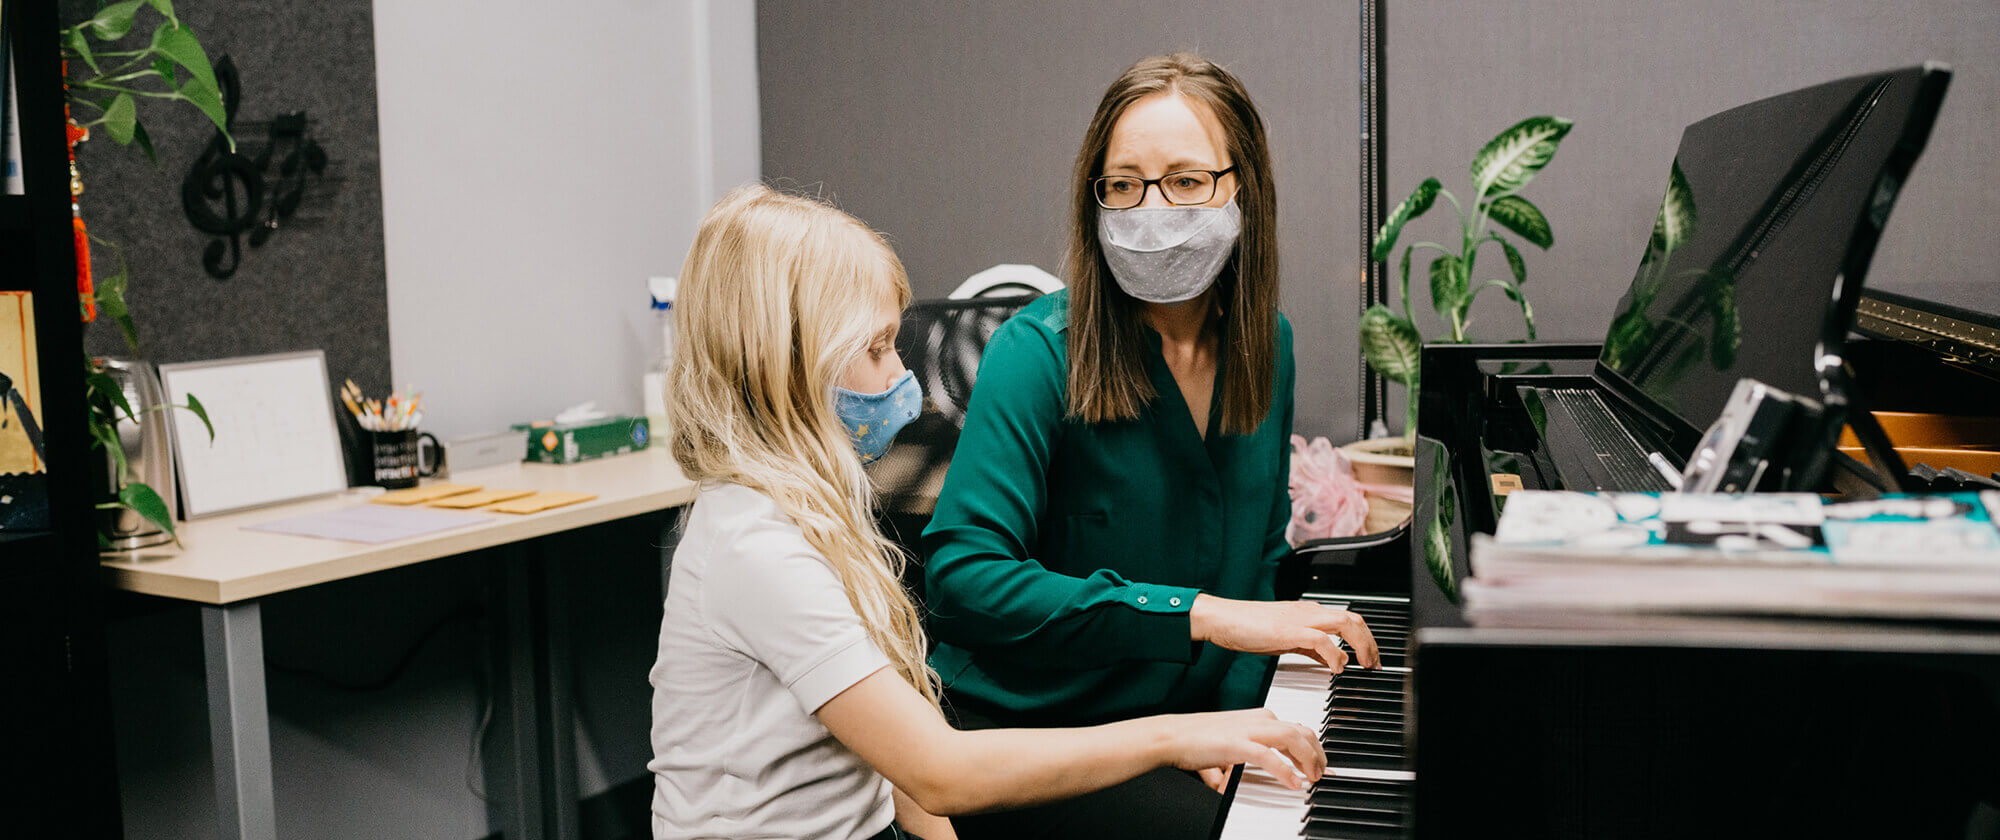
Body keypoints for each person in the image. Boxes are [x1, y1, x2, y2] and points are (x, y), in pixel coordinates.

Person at [647, 184, 1326, 840]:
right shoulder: (755, 547)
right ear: (786, 367)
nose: (900, 378)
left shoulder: (808, 515)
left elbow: (901, 786)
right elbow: (939, 770)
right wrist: (1176, 738)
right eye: (878, 349)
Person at [920, 53, 1381, 838]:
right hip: (1034, 741)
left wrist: (1230, 725)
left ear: (1243, 188)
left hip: (1176, 727)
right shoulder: (1037, 352)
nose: (1152, 209)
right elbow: (964, 579)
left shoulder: (1268, 343)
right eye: (1125, 184)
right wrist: (1194, 615)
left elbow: (1260, 565)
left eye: (1187, 180)